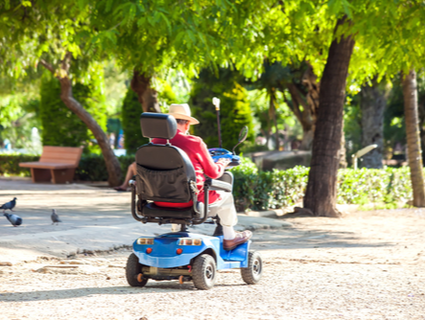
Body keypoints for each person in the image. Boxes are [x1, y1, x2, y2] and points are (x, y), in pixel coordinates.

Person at [152, 104, 252, 251]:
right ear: (186, 124)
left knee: (177, 189)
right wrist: (221, 164)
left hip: (159, 200)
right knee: (225, 193)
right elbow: (213, 173)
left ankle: (176, 233)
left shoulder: (154, 142)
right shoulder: (194, 142)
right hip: (191, 201)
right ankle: (230, 237)